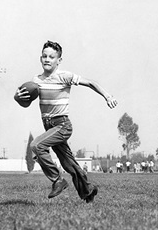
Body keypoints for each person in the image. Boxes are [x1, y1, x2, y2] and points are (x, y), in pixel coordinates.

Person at [14, 40, 117, 203]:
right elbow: (26, 101)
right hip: (49, 126)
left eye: (51, 57)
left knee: (36, 145)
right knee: (69, 163)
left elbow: (90, 83)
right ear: (40, 58)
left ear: (59, 60)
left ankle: (57, 180)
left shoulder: (65, 76)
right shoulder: (36, 80)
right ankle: (88, 191)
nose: (47, 59)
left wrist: (107, 96)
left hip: (62, 125)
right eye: (44, 56)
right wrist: (17, 97)